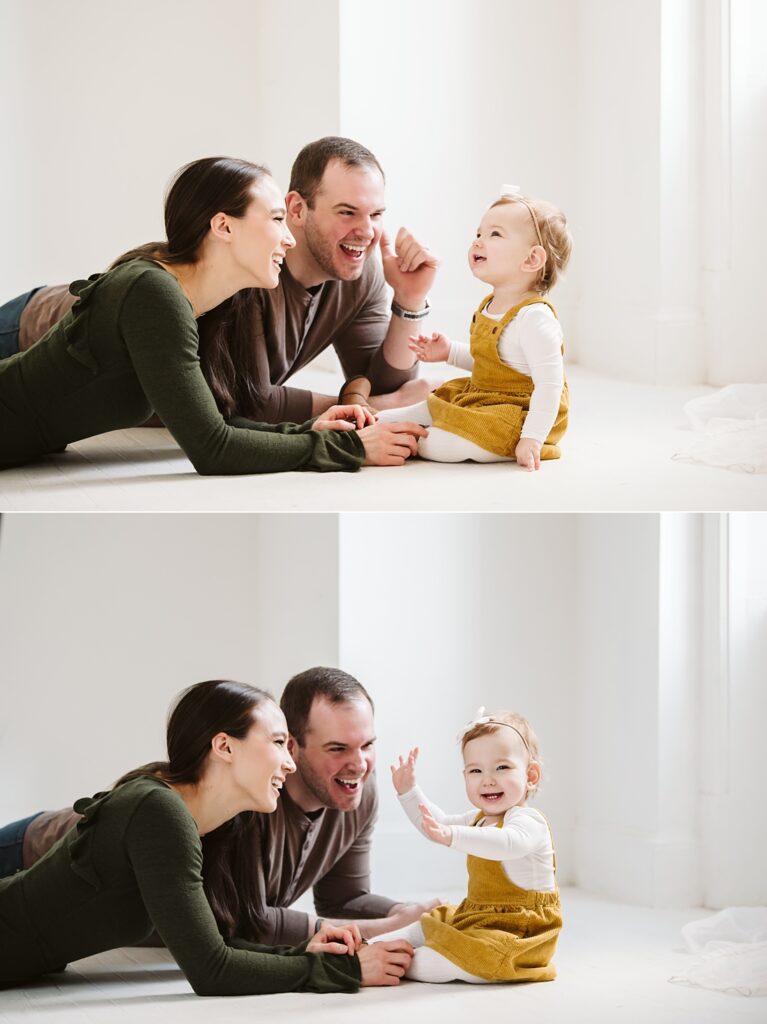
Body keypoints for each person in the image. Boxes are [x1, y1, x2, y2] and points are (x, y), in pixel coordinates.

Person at [0, 155, 426, 474]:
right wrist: (351, 449)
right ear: (223, 227)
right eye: (277, 219)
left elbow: (219, 421)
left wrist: (314, 430)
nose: (288, 239)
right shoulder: (153, 292)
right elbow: (212, 448)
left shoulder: (197, 302)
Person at [0, 679, 414, 994]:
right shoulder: (158, 811)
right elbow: (210, 970)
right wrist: (349, 970)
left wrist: (307, 951)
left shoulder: (207, 823)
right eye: (276, 743)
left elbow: (219, 943)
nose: (289, 763)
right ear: (224, 747)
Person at [375, 187, 572, 470]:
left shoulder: (535, 319)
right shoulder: (490, 305)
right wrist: (449, 352)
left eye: (495, 234)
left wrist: (532, 438)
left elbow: (550, 386)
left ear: (531, 259)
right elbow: (492, 363)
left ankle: (419, 440)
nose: (478, 242)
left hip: (517, 414)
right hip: (483, 396)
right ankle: (386, 423)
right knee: (429, 406)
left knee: (447, 444)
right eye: (478, 234)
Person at [376, 707, 562, 984]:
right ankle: (373, 946)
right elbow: (435, 824)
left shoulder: (528, 822)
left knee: (445, 960)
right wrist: (409, 792)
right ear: (465, 776)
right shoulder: (478, 820)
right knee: (428, 923)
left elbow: (507, 843)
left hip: (520, 931)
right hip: (479, 916)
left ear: (531, 775)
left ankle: (398, 959)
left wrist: (452, 835)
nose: (488, 779)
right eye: (476, 770)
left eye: (502, 767)